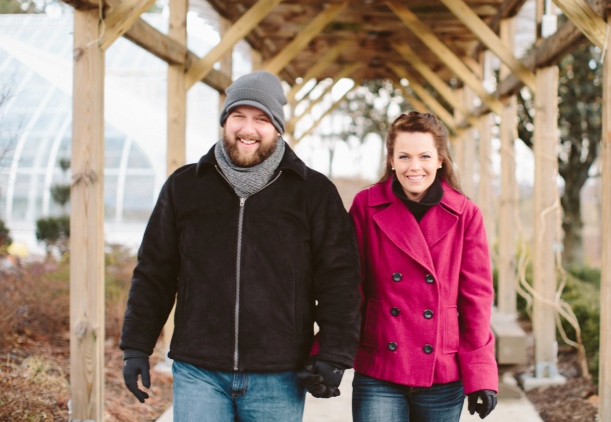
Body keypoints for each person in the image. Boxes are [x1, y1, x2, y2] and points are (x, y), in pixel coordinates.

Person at [119, 70, 361, 421]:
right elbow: (154, 272)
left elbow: (339, 279)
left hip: (278, 373)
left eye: (261, 119)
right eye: (239, 116)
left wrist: (335, 352)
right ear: (225, 121)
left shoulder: (313, 192)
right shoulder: (185, 186)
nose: (248, 129)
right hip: (199, 369)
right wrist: (136, 347)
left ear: (277, 127)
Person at [348, 112, 499, 421]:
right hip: (380, 366)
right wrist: (331, 351)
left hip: (442, 371)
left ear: (441, 159)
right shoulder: (365, 205)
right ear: (391, 160)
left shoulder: (465, 214)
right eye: (404, 156)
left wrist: (481, 373)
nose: (414, 166)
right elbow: (350, 286)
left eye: (424, 156)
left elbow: (476, 299)